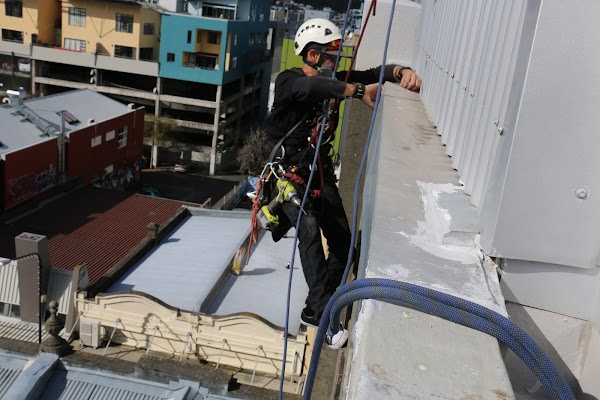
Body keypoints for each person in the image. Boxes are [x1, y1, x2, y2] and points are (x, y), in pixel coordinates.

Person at [263, 18, 421, 349]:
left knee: (344, 245)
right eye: (331, 55)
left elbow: (372, 73)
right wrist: (357, 92)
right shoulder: (288, 80)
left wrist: (400, 71)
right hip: (287, 175)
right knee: (308, 228)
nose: (337, 62)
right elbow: (309, 90)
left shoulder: (334, 82)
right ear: (312, 55)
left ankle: (315, 308)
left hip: (317, 171)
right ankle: (324, 315)